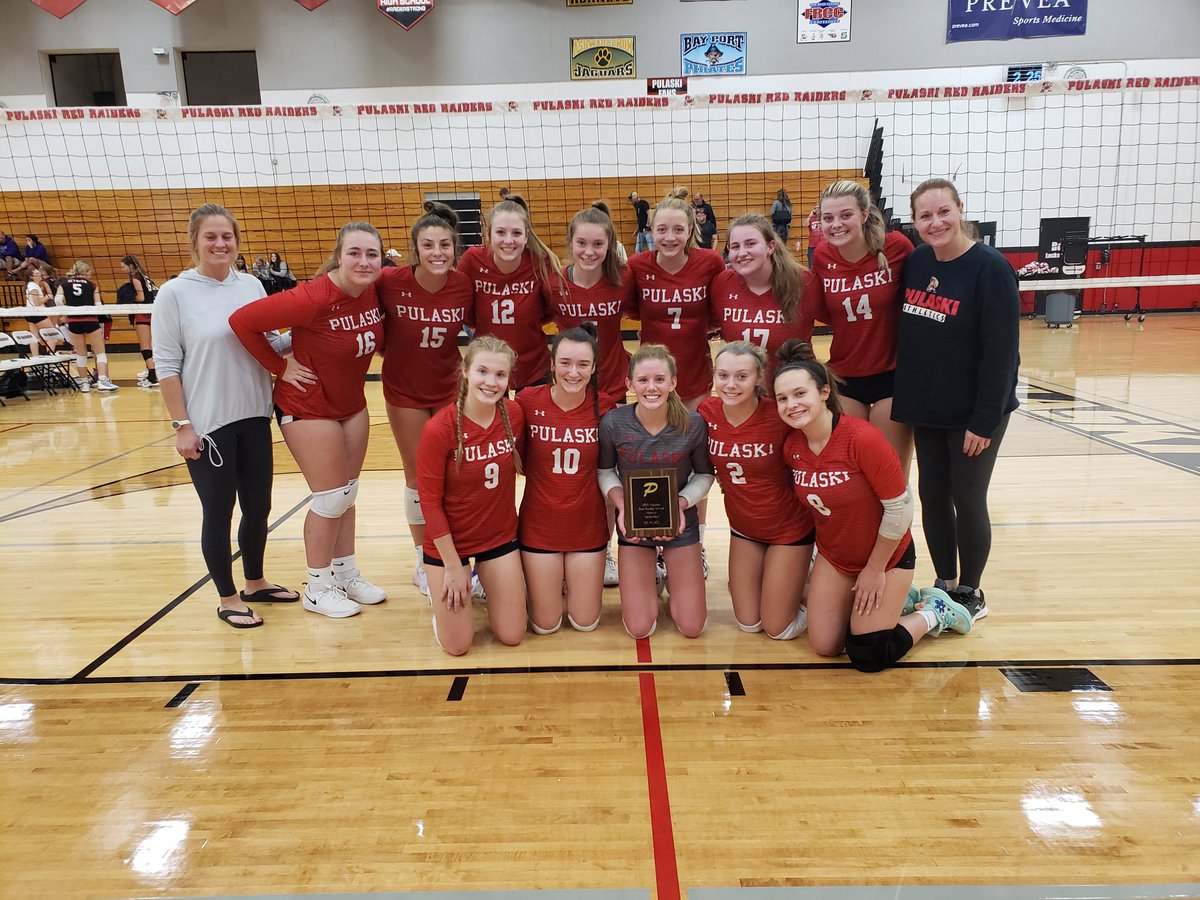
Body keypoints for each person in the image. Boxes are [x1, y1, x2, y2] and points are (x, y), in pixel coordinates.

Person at [774, 339, 973, 672]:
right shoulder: (792, 447)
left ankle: (933, 611)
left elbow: (901, 509)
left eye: (799, 394)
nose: (791, 405)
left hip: (887, 557)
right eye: (782, 398)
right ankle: (901, 601)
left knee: (868, 654)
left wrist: (874, 569)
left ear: (824, 392)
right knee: (825, 645)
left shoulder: (861, 439)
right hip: (837, 557)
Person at [230, 222, 387, 619]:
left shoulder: (372, 290)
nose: (364, 261)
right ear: (339, 255)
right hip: (308, 407)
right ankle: (317, 588)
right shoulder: (313, 297)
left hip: (351, 405)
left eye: (372, 254)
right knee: (331, 498)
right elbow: (243, 322)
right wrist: (279, 367)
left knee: (348, 493)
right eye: (354, 253)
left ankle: (346, 573)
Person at [153, 202, 299, 629]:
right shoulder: (175, 293)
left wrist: (313, 325)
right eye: (211, 237)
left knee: (259, 507)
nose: (220, 244)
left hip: (254, 414)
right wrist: (182, 425)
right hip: (209, 423)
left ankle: (255, 582)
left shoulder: (251, 285)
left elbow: (270, 344)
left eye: (227, 236)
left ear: (236, 241)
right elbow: (166, 365)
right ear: (195, 242)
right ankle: (227, 596)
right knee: (219, 511)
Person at [893, 178, 1021, 623]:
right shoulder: (918, 261)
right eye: (925, 216)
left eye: (943, 212)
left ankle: (971, 590)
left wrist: (984, 421)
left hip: (975, 412)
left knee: (968, 496)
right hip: (928, 407)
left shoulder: (990, 268)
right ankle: (945, 585)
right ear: (915, 222)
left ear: (960, 209)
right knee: (932, 495)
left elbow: (1002, 353)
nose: (936, 222)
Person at [378, 201, 475, 598]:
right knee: (419, 478)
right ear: (415, 249)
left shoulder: (463, 285)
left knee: (457, 474)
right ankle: (423, 558)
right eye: (428, 245)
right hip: (405, 391)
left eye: (445, 246)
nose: (437, 253)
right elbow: (338, 295)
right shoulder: (389, 281)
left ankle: (461, 554)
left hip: (450, 386)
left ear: (455, 249)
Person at [416, 336, 528, 656]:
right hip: (451, 546)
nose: (491, 382)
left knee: (512, 635)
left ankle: (483, 584)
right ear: (465, 371)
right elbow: (430, 504)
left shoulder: (514, 415)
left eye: (500, 375)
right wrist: (453, 566)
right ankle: (444, 606)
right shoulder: (440, 429)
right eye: (483, 371)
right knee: (458, 646)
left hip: (499, 538)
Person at [545, 201, 634, 587]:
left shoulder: (623, 280)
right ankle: (564, 544)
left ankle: (606, 550)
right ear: (570, 243)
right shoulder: (554, 284)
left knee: (607, 473)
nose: (589, 252)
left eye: (598, 244)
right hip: (569, 393)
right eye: (582, 243)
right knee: (571, 474)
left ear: (610, 245)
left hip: (611, 391)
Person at [598, 344, 714, 639]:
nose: (651, 387)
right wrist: (622, 505)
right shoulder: (614, 422)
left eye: (660, 380)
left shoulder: (693, 423)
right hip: (633, 525)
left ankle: (672, 569)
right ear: (629, 384)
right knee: (639, 628)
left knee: (691, 627)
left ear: (673, 382)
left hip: (679, 523)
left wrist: (681, 502)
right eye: (643, 380)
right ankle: (657, 573)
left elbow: (704, 474)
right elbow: (605, 471)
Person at [699, 342, 814, 638]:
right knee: (749, 623)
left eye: (741, 376)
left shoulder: (779, 416)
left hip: (789, 531)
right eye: (723, 375)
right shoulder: (706, 412)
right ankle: (783, 585)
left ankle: (820, 595)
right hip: (744, 530)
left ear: (759, 378)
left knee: (778, 628)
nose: (731, 384)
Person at [807, 180, 915, 473]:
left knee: (890, 475)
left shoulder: (896, 247)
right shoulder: (822, 256)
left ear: (864, 214)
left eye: (846, 215)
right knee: (854, 474)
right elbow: (828, 314)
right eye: (828, 218)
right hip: (845, 378)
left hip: (892, 377)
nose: (836, 224)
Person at [518, 323, 615, 635]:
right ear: (551, 364)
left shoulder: (606, 406)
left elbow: (613, 474)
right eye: (566, 363)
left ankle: (572, 573)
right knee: (545, 625)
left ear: (594, 367)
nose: (574, 373)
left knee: (584, 622)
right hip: (539, 530)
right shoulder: (526, 402)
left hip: (587, 531)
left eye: (583, 365)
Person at [459, 194, 560, 392]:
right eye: (500, 232)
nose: (508, 240)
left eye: (516, 233)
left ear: (526, 235)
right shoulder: (472, 260)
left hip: (534, 366)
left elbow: (550, 309)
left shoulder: (540, 261)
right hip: (488, 367)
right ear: (488, 235)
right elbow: (463, 306)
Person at [713, 214, 817, 372]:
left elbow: (841, 320)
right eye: (735, 247)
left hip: (792, 392)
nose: (741, 253)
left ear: (770, 247)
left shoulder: (804, 282)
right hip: (743, 393)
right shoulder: (722, 283)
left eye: (750, 244)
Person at [55, 260, 119, 394]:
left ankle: (84, 384)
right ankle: (102, 381)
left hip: (73, 322)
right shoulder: (92, 285)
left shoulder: (64, 284)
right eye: (89, 273)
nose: (90, 276)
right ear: (83, 272)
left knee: (81, 354)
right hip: (90, 320)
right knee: (100, 352)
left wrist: (66, 312)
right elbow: (98, 305)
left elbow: (58, 300)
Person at [117, 254, 159, 388]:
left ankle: (153, 377)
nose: (121, 269)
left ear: (130, 266)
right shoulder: (145, 276)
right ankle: (152, 372)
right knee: (152, 346)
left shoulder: (135, 278)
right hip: (153, 313)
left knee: (145, 347)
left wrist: (128, 298)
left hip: (143, 314)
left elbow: (141, 297)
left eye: (123, 267)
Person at [24, 268, 63, 354]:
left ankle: (35, 360)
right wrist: (47, 297)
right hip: (36, 313)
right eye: (37, 274)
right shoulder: (33, 286)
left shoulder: (32, 284)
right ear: (31, 277)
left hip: (30, 313)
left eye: (39, 273)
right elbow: (37, 303)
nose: (39, 275)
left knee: (35, 337)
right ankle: (50, 359)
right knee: (52, 335)